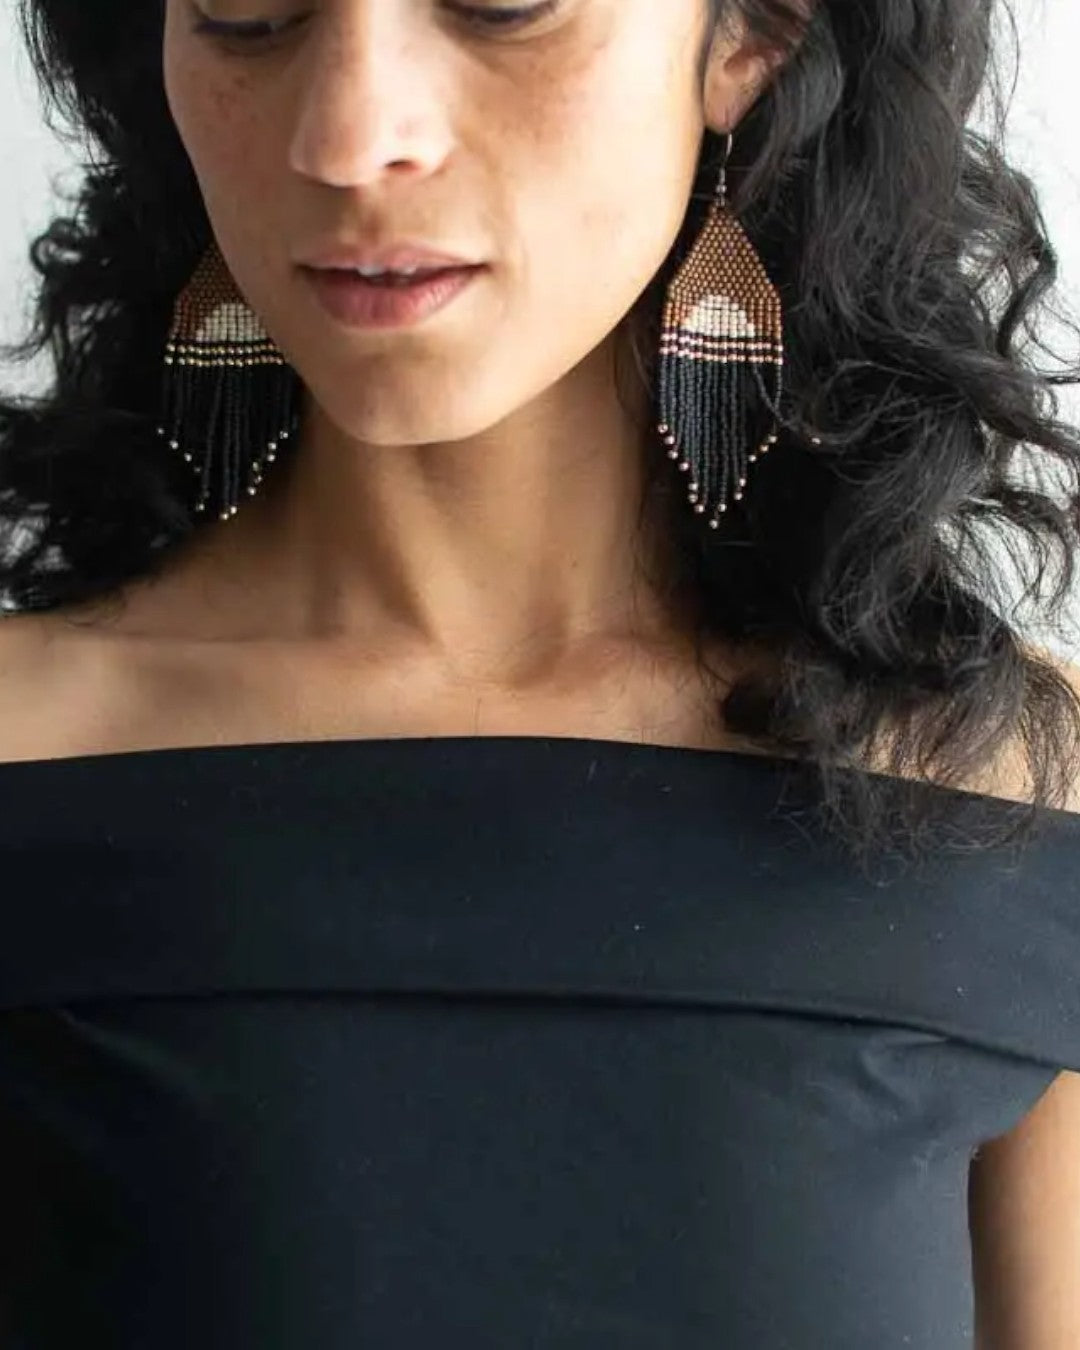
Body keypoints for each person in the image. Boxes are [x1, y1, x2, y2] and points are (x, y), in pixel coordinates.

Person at [0, 0, 1079, 1344]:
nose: (347, 138)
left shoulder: (1014, 783)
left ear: (755, 36)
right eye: (245, 12)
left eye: (501, 5)